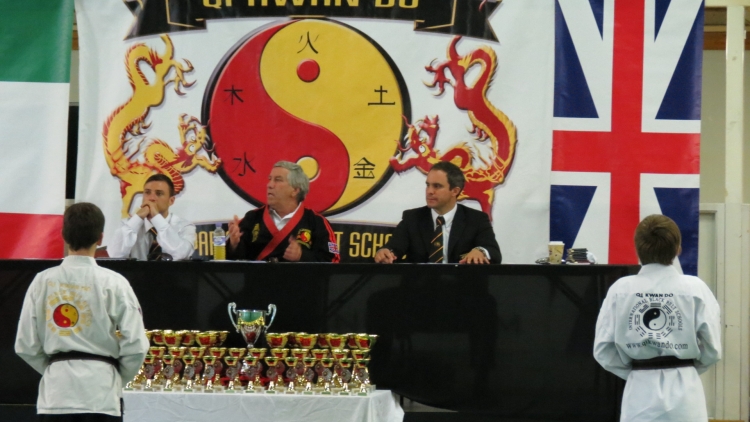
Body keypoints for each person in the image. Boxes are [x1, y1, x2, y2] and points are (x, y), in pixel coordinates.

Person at [15, 202, 149, 422]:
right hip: (100, 394)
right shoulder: (115, 283)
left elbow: (25, 345)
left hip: (56, 396)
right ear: (100, 238)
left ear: (63, 236)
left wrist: (57, 368)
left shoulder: (42, 281)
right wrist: (114, 377)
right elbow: (136, 345)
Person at [593, 214, 721, 422]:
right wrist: (687, 370)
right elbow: (712, 349)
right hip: (686, 395)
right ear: (678, 249)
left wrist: (636, 372)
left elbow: (603, 350)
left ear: (637, 249)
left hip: (639, 393)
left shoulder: (620, 290)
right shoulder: (695, 288)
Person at [374, 161, 501, 264]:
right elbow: (394, 247)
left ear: (455, 191)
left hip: (460, 285)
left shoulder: (476, 219)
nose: (429, 191)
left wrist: (481, 251)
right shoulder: (412, 218)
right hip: (419, 285)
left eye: (437, 186)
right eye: (428, 185)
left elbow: (493, 252)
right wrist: (386, 252)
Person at [226, 161, 340, 262]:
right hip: (258, 280)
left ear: (295, 190)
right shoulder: (252, 217)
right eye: (270, 179)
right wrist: (233, 245)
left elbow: (333, 260)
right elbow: (233, 263)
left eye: (278, 180)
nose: (269, 185)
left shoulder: (317, 222)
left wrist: (302, 256)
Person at [107, 174, 195, 260]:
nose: (151, 198)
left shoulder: (185, 226)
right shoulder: (128, 224)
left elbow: (181, 254)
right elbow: (114, 254)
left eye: (159, 193)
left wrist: (156, 218)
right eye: (147, 192)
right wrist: (138, 217)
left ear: (171, 201)